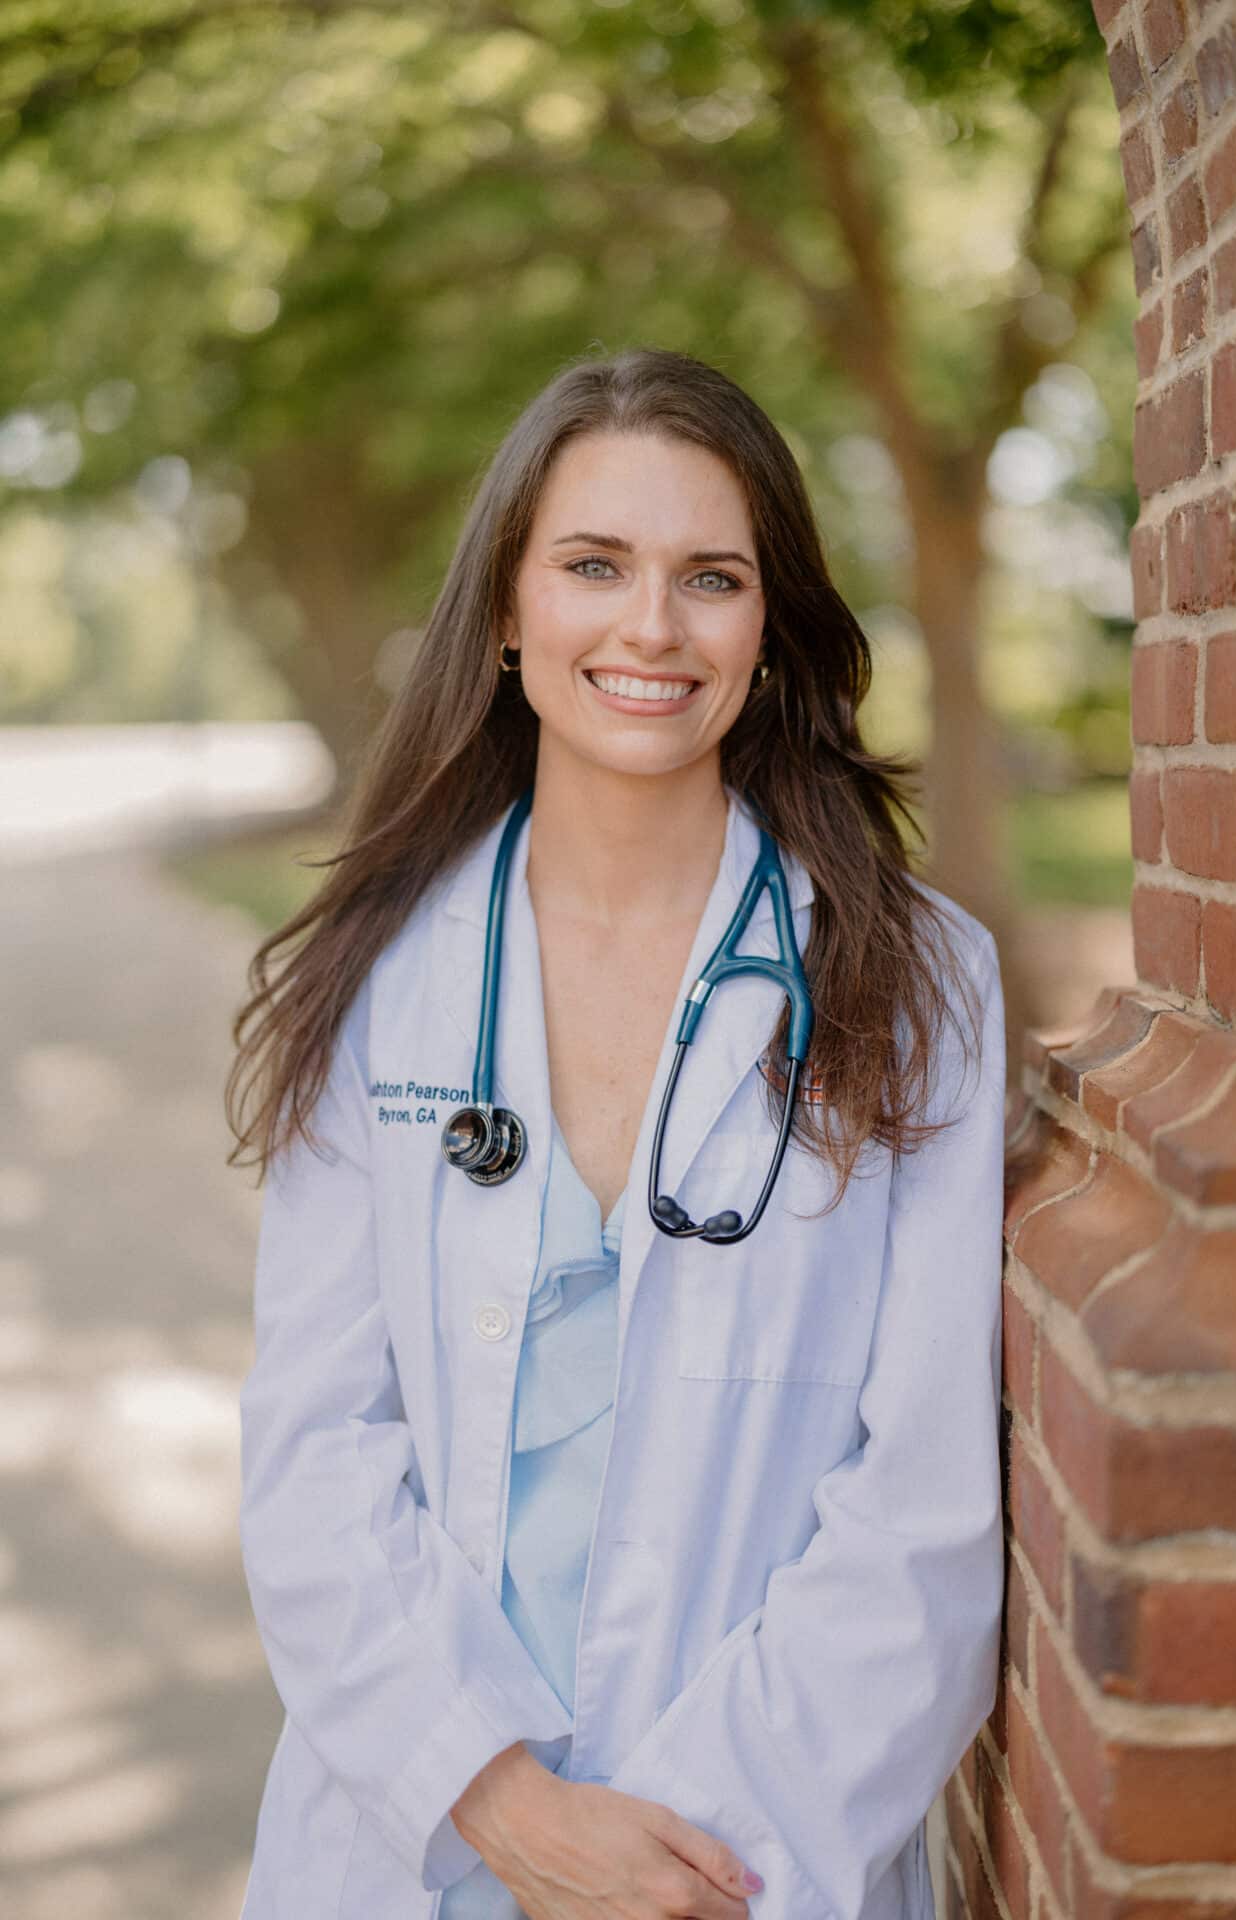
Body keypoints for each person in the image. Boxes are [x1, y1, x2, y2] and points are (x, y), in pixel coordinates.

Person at [227, 344, 1007, 1920]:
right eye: (595, 566)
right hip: (421, 1838)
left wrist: (680, 1855)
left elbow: (921, 1505)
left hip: (749, 1854)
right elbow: (313, 1455)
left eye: (709, 576)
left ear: (770, 627)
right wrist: (503, 1804)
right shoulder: (377, 977)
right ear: (509, 613)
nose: (651, 626)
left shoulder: (914, 985)